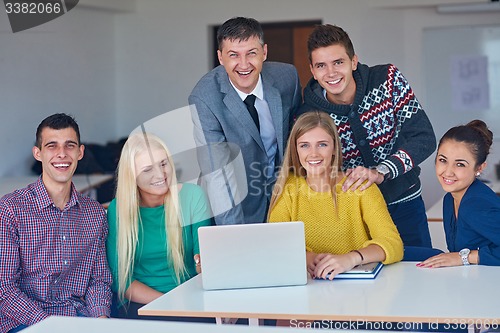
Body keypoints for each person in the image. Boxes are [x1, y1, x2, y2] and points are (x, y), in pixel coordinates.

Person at [298, 24, 436, 248]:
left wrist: (381, 171)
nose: (331, 73)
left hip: (404, 202)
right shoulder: (308, 115)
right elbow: (307, 168)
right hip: (353, 214)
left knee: (418, 269)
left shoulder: (387, 80)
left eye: (338, 62)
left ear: (353, 61)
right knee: (363, 277)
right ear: (313, 71)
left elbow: (424, 137)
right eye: (321, 66)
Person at [0, 113, 112, 333]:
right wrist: (53, 326)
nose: (62, 154)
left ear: (80, 152)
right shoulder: (10, 210)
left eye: (70, 145)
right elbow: (4, 290)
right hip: (25, 324)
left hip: (79, 320)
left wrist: (101, 321)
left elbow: (99, 280)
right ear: (38, 154)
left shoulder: (95, 214)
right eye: (52, 146)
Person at [189, 16, 302, 225]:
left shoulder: (288, 78)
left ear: (264, 52)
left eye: (252, 53)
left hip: (285, 196)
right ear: (221, 57)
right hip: (234, 201)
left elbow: (299, 137)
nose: (244, 64)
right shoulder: (204, 98)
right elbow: (218, 174)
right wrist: (234, 235)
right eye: (234, 55)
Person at [268, 111, 403, 279]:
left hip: (358, 291)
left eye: (322, 144)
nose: (313, 153)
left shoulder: (359, 185)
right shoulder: (288, 189)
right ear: (296, 150)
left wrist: (351, 258)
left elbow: (394, 244)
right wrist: (306, 257)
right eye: (304, 145)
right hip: (309, 289)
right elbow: (274, 245)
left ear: (334, 148)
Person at [106, 132, 213, 320]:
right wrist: (168, 303)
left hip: (190, 300)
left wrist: (204, 263)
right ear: (132, 176)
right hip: (142, 304)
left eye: (163, 164)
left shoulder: (193, 196)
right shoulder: (118, 209)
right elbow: (121, 280)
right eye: (147, 169)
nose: (160, 174)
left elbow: (203, 264)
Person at [418, 120, 500, 268]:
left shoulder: (476, 204)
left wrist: (466, 257)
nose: (448, 172)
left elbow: (459, 256)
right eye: (443, 160)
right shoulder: (450, 199)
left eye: (460, 164)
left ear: (479, 168)